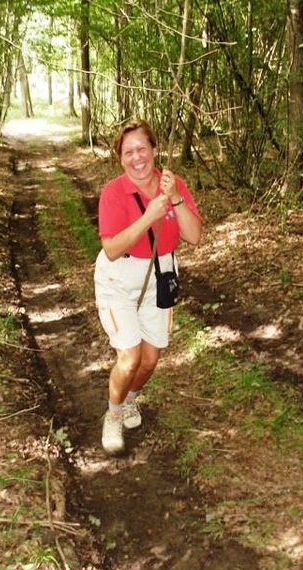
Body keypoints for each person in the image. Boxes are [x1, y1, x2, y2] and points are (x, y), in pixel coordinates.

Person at [94, 120, 202, 454]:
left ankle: (129, 400)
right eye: (128, 152)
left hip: (159, 275)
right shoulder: (113, 192)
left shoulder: (174, 184)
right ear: (120, 159)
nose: (137, 157)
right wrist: (148, 217)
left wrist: (174, 199)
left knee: (150, 359)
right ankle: (112, 415)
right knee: (130, 357)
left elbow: (195, 237)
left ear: (154, 150)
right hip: (118, 278)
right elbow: (112, 249)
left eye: (142, 148)